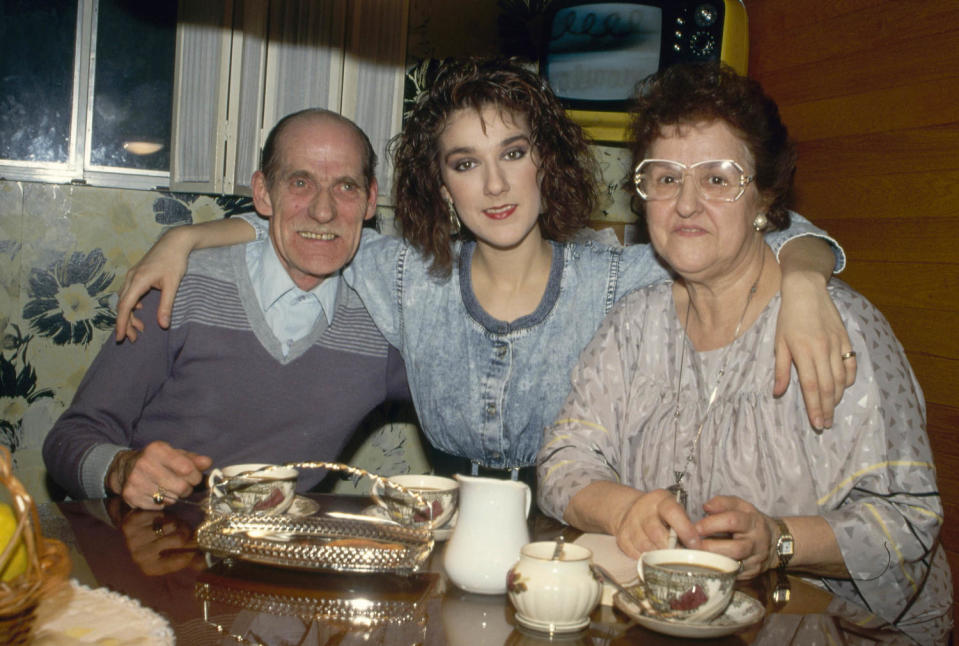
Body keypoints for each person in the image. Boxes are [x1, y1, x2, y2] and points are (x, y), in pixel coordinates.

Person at [114, 58, 854, 486]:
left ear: (546, 163)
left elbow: (766, 228)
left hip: (585, 551)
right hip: (451, 549)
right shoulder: (401, 276)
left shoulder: (616, 279)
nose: (494, 186)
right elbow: (308, 225)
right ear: (441, 185)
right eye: (466, 163)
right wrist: (183, 239)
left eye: (513, 154)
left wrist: (802, 280)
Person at [536, 63, 950, 642]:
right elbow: (563, 459)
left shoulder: (838, 327)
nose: (684, 205)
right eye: (664, 178)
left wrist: (779, 538)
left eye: (717, 179)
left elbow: (909, 519)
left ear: (765, 195)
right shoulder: (633, 323)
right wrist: (623, 508)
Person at [43, 109, 409, 509]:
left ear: (370, 200)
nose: (324, 211)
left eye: (346, 187)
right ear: (264, 193)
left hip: (280, 556)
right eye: (300, 182)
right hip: (154, 548)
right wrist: (121, 468)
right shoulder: (179, 285)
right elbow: (68, 442)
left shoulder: (383, 319)